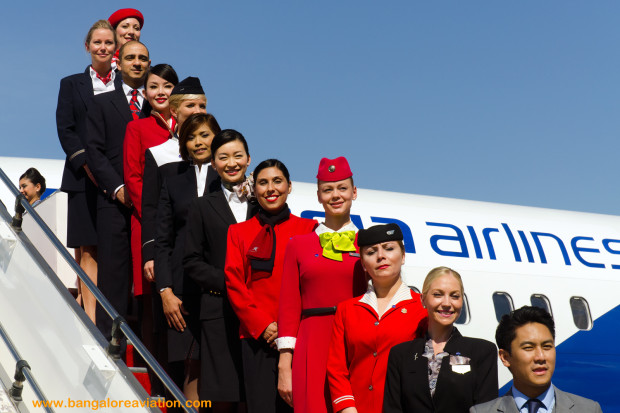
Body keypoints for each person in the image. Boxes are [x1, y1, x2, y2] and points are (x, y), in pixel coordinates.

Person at [225, 159, 317, 412]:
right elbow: (234, 283)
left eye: (277, 181)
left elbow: (312, 285)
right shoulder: (238, 232)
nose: (270, 188)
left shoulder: (309, 230)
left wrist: (289, 329)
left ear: (289, 186)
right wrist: (263, 325)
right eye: (263, 183)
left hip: (299, 336)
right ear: (254, 189)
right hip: (256, 336)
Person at [277, 156, 367, 413]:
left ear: (354, 192)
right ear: (318, 196)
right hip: (312, 341)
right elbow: (289, 306)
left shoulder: (368, 244)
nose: (335, 195)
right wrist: (285, 364)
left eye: (342, 188)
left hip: (354, 341)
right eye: (328, 190)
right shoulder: (298, 244)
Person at [183, 129, 256, 412]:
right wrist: (230, 283)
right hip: (218, 310)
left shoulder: (263, 202)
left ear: (248, 159)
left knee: (256, 393)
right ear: (214, 164)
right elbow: (191, 260)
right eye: (223, 157)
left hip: (260, 312)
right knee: (222, 396)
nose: (232, 163)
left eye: (238, 156)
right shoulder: (201, 206)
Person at [86, 40, 151, 339]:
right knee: (113, 279)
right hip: (114, 203)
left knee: (150, 276)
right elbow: (94, 153)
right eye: (131, 58)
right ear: (118, 62)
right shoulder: (101, 103)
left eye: (143, 59)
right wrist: (117, 188)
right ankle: (109, 344)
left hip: (152, 206)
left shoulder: (157, 105)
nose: (137, 63)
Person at [154, 113, 221, 401]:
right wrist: (165, 290)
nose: (198, 142)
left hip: (222, 287)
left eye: (204, 135)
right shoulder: (172, 179)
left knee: (222, 368)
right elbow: (163, 241)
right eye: (191, 137)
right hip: (181, 290)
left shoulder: (232, 178)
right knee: (192, 367)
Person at [327, 223, 427, 413]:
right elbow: (336, 368)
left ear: (403, 256)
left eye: (389, 249)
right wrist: (347, 408)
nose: (381, 256)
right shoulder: (347, 310)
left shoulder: (422, 308)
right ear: (363, 263)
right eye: (371, 252)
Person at [56, 19, 117, 322]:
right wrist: (86, 164)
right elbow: (66, 130)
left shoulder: (126, 84)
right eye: (97, 43)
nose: (103, 48)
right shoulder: (70, 84)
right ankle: (91, 317)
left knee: (114, 250)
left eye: (108, 43)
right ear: (87, 47)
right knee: (88, 248)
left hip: (116, 179)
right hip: (82, 177)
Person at [384, 266, 498, 413]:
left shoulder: (482, 352)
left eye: (454, 296)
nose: (446, 303)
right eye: (438, 295)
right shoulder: (401, 355)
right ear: (423, 300)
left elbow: (487, 408)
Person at [470, 306, 602, 413]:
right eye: (528, 348)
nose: (541, 357)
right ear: (505, 357)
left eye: (547, 346)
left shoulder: (589, 409)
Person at [142, 77, 208, 281]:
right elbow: (151, 208)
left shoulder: (219, 155)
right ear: (174, 111)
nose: (198, 111)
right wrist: (150, 254)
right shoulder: (158, 153)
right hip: (172, 252)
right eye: (191, 105)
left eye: (202, 106)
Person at [123, 64, 178, 298]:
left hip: (184, 222)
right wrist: (155, 215)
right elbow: (133, 178)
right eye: (154, 87)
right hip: (149, 221)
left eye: (167, 86)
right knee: (151, 294)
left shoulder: (191, 129)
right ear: (145, 94)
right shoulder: (136, 128)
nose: (161, 92)